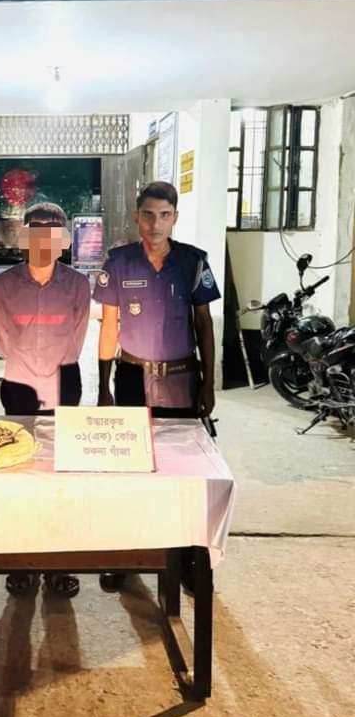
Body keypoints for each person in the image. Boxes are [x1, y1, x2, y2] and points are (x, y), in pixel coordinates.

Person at [93, 180, 221, 592]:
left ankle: (185, 559)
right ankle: (127, 554)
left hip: (181, 378)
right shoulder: (118, 263)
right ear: (137, 217)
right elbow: (109, 327)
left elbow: (204, 325)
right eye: (148, 215)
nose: (155, 224)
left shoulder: (193, 262)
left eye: (164, 215)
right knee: (131, 469)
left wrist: (209, 383)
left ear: (175, 218)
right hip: (132, 377)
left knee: (183, 473)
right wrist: (104, 387)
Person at [0, 202, 91, 599]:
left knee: (61, 476)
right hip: (19, 385)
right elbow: (5, 342)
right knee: (20, 476)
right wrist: (34, 377)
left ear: (64, 239)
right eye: (37, 229)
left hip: (64, 383)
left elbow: (75, 341)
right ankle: (22, 561)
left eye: (53, 230)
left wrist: (50, 379)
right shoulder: (3, 286)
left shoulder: (78, 285)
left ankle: (60, 563)